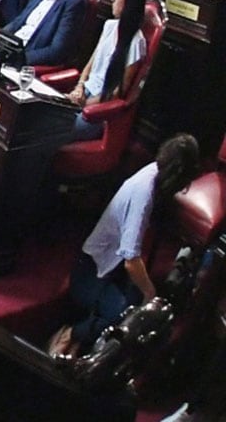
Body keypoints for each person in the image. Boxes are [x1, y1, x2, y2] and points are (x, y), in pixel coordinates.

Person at [52, 135, 204, 358]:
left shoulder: (154, 170)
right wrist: (150, 292)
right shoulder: (144, 193)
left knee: (135, 303)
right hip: (91, 273)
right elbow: (132, 262)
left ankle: (86, 337)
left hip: (110, 270)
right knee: (128, 315)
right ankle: (71, 334)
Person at [65, 0, 150, 143]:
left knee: (53, 130)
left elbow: (118, 92)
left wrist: (86, 104)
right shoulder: (109, 26)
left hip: (98, 111)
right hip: (83, 95)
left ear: (131, 1)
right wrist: (79, 88)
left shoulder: (136, 42)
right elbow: (90, 65)